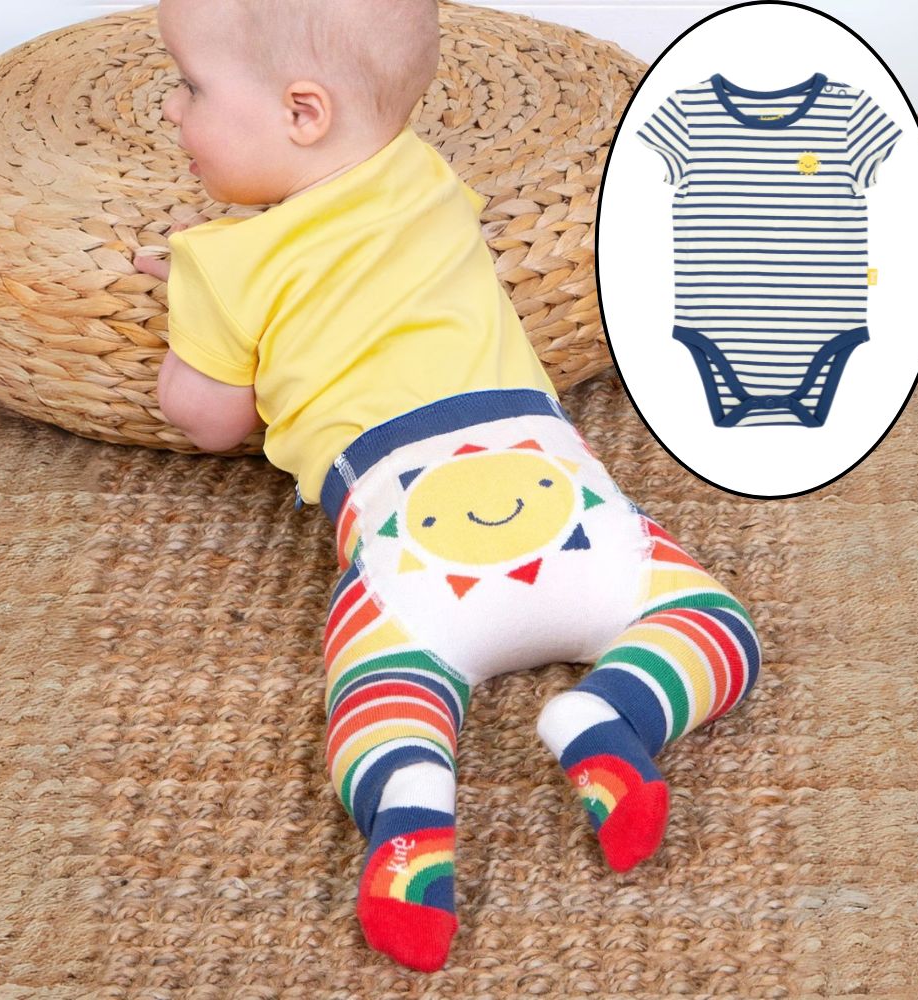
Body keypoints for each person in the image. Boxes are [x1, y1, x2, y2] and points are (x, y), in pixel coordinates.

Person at [135, 0, 762, 974]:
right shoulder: (426, 175)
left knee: (379, 684)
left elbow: (206, 414)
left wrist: (190, 297)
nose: (170, 110)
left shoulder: (221, 263)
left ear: (304, 113)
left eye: (190, 86)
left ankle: (410, 808)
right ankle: (617, 714)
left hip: (409, 557)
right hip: (572, 505)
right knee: (714, 622)